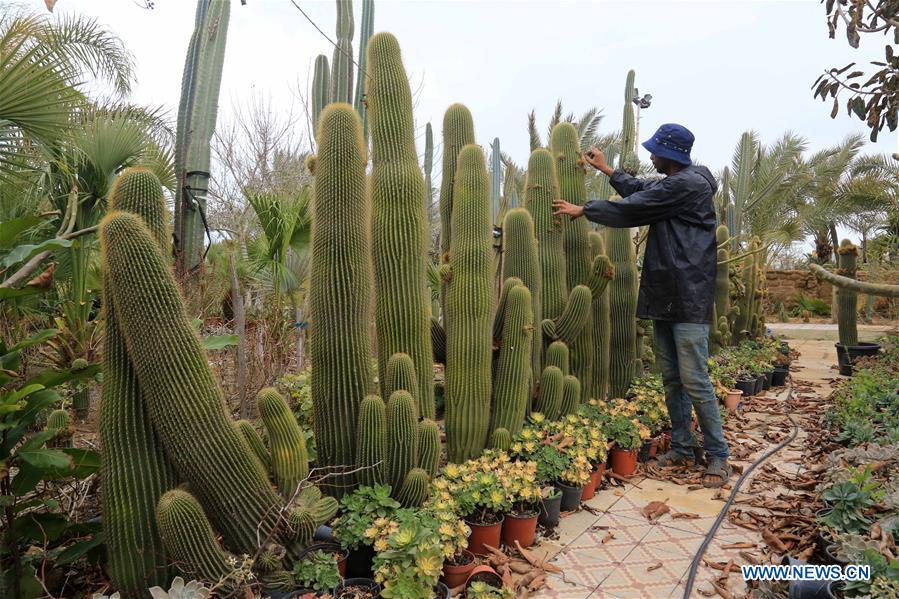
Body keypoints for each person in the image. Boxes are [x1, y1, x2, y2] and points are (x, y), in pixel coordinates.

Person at [552, 123, 730, 488]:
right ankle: (681, 447)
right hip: (666, 292)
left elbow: (637, 206)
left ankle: (718, 455)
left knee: (695, 379)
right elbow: (645, 189)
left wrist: (585, 209)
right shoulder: (677, 183)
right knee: (671, 378)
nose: (650, 155)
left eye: (654, 150)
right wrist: (607, 169)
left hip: (688, 296)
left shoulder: (688, 185)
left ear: (670, 154)